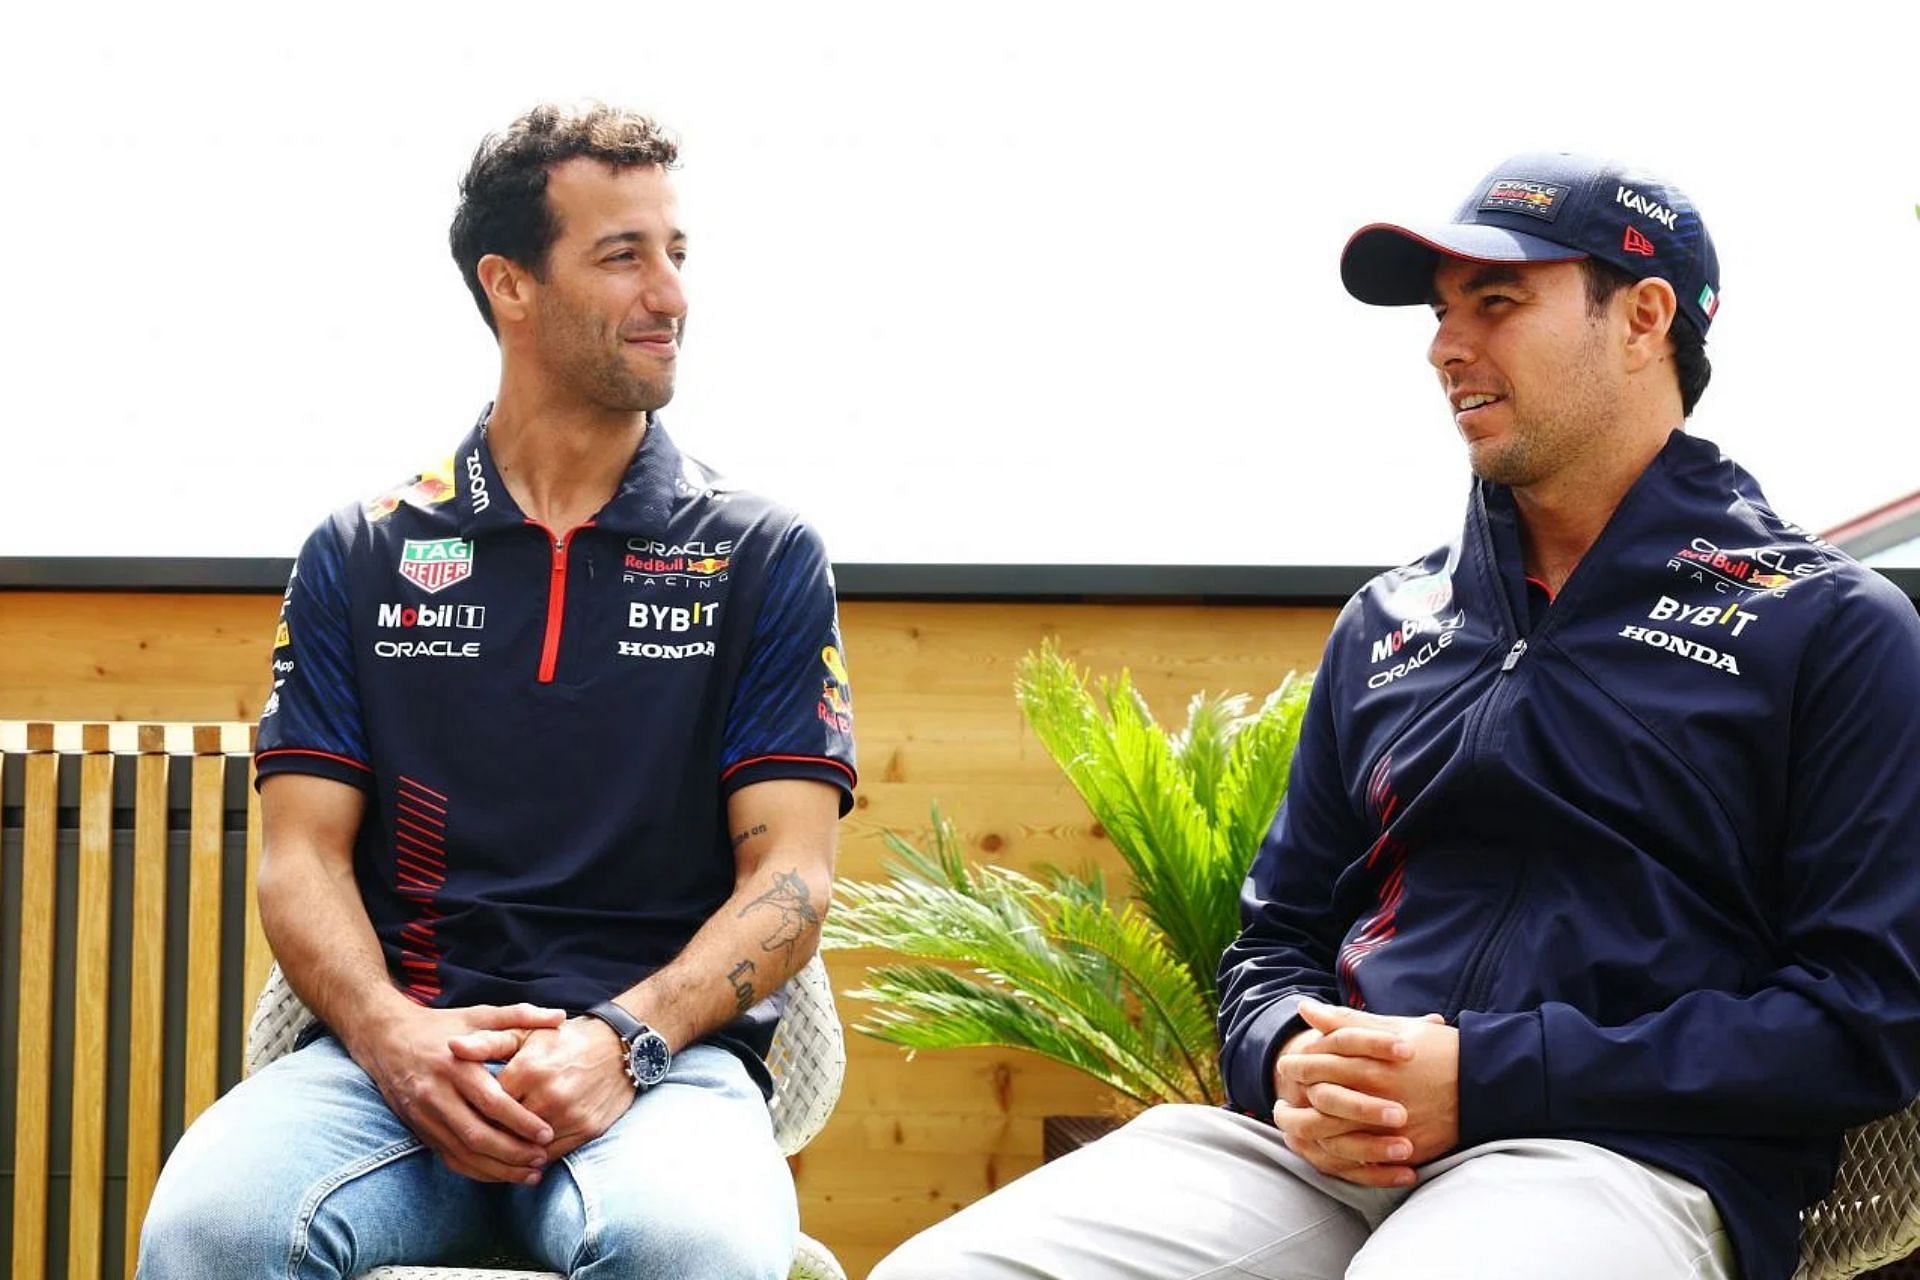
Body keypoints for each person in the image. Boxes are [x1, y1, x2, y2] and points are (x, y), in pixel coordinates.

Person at [871, 153, 1920, 1280]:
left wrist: (1488, 1074)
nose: (1445, 347)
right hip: (1310, 1157)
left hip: (1620, 1157)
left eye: (1498, 302)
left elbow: (1866, 1018)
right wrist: (1287, 1059)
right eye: (1441, 311)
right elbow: (1273, 941)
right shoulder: (1387, 620)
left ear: (1645, 316)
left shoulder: (1827, 626)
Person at [136, 103, 857, 1279]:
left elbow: (792, 875)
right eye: (623, 255)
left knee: (687, 1249)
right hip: (390, 1067)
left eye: (677, 254)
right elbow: (300, 858)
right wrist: (391, 1036)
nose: (669, 293)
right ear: (509, 286)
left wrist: (624, 1040)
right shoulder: (361, 552)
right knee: (210, 1232)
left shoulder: (761, 552)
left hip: (661, 1072)